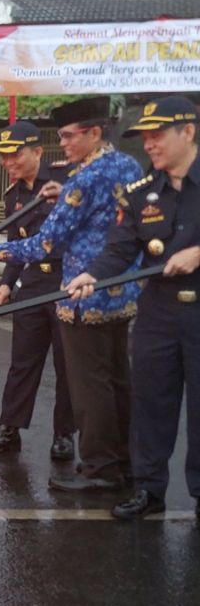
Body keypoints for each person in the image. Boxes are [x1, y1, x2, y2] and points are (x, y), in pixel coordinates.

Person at [0, 97, 143, 492]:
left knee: (89, 387)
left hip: (80, 294)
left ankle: (99, 468)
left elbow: (44, 243)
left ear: (95, 132)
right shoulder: (127, 165)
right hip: (118, 291)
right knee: (115, 382)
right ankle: (124, 463)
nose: (65, 144)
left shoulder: (84, 178)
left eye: (70, 136)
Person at [64, 96, 200, 518]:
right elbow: (121, 248)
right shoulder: (142, 194)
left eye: (157, 135)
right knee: (151, 404)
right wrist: (91, 275)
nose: (149, 144)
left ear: (188, 132)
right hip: (158, 314)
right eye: (145, 136)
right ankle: (148, 489)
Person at [0, 122, 76, 461]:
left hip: (66, 282)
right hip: (32, 283)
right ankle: (9, 429)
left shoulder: (64, 181)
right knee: (22, 362)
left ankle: (64, 435)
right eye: (3, 156)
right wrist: (5, 283)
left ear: (38, 152)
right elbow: (17, 244)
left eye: (14, 154)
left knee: (67, 364)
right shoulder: (13, 195)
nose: (7, 162)